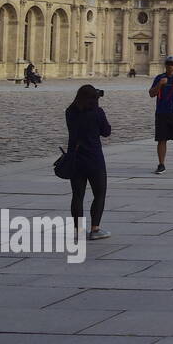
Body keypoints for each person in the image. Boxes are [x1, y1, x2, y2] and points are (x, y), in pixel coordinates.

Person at [65, 84, 112, 240]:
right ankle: (95, 228)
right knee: (99, 193)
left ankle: (78, 230)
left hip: (75, 157)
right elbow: (106, 132)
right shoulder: (97, 112)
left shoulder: (70, 112)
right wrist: (97, 107)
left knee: (77, 195)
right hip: (94, 158)